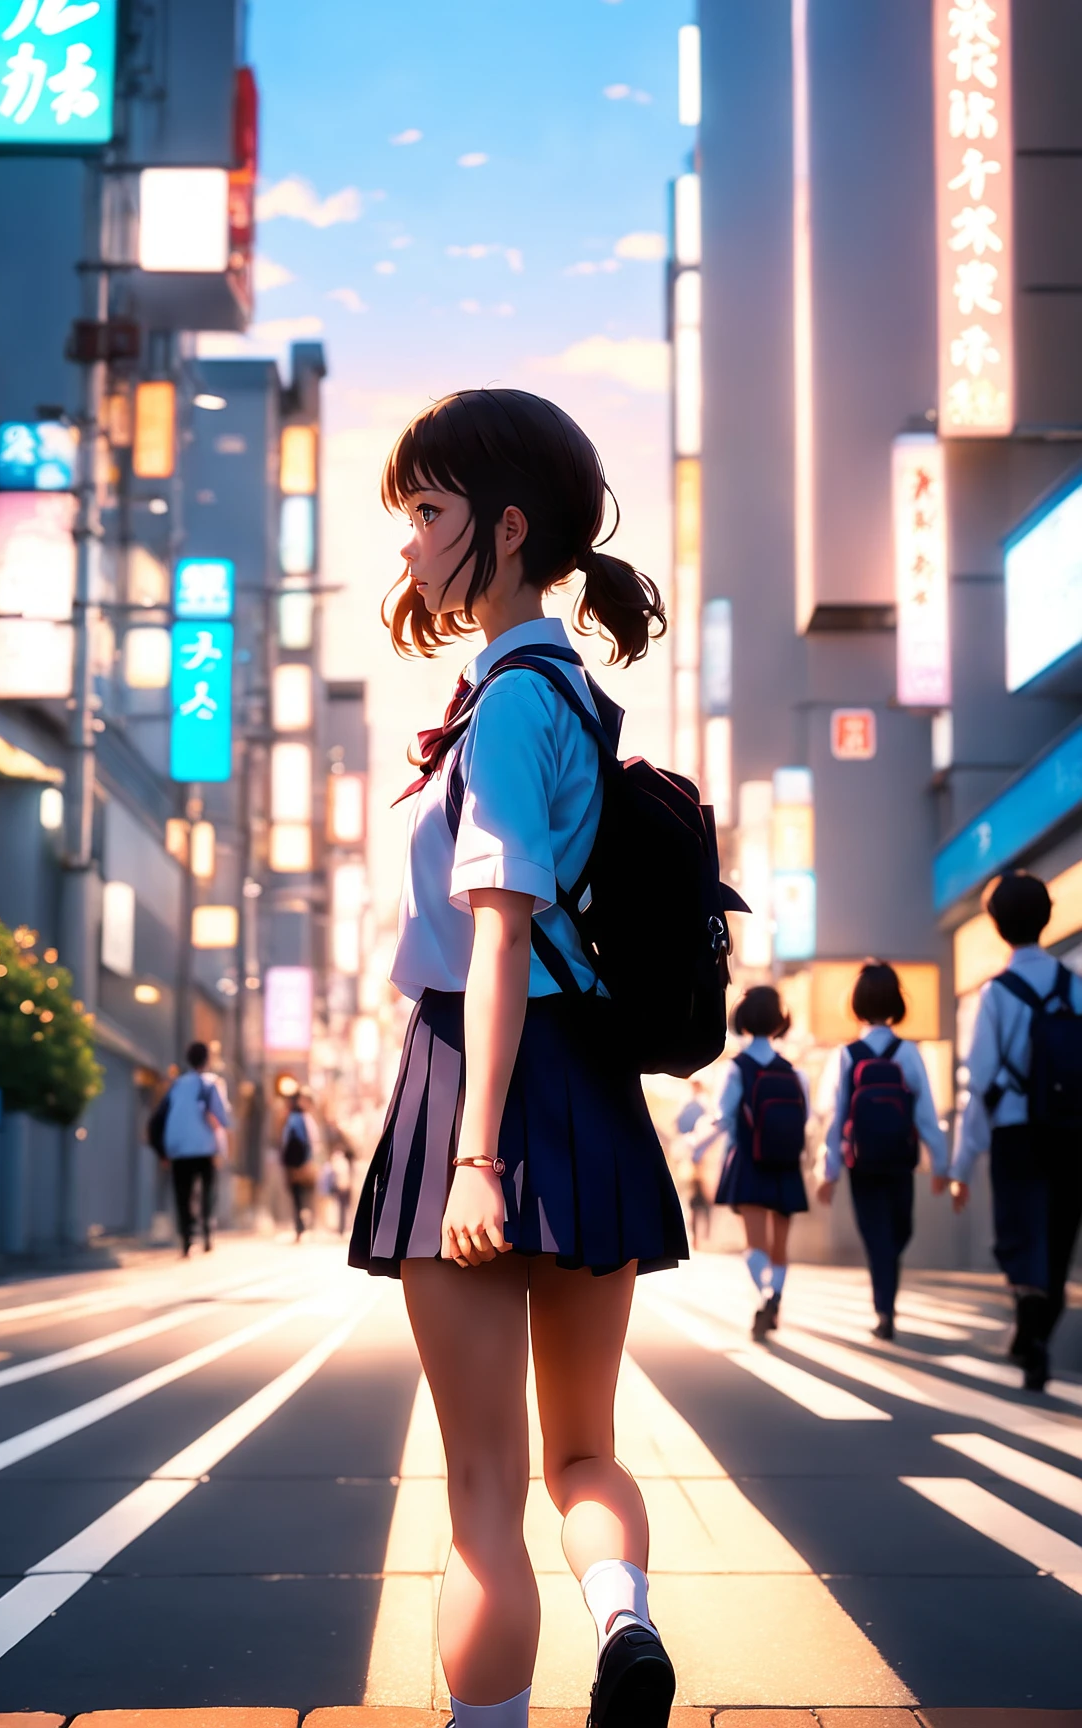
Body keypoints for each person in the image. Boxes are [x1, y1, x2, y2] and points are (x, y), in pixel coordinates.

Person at [348, 389, 687, 1728]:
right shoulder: (570, 698)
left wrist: (475, 1159)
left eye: (428, 512)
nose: (413, 543)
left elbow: (497, 939)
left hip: (477, 1094)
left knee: (482, 1490)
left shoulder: (500, 712)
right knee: (586, 1450)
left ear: (505, 524)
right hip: (590, 1098)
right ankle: (626, 1620)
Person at [950, 871, 1082, 1391]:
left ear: (997, 926)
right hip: (1072, 1131)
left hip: (1015, 1132)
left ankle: (1029, 1328)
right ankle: (1038, 1336)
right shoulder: (1076, 985)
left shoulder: (997, 994)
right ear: (1048, 917)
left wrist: (961, 1165)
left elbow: (979, 1081)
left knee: (1018, 1235)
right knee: (1059, 1236)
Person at [818, 961, 948, 1341]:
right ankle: (885, 1310)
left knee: (881, 1235)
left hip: (862, 1163)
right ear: (896, 1001)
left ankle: (884, 1303)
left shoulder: (847, 1055)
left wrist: (829, 1171)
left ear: (856, 1003)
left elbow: (835, 1117)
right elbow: (927, 1114)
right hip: (899, 1161)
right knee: (896, 1232)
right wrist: (940, 1163)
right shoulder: (907, 1052)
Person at [713, 986, 809, 1339]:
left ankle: (766, 1295)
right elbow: (806, 1116)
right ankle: (776, 1295)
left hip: (750, 1163)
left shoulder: (736, 1068)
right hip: (785, 1163)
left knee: (756, 1246)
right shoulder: (794, 1073)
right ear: (780, 1022)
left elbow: (722, 1117)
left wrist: (695, 1145)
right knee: (780, 1246)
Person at [161, 1041, 230, 1256]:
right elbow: (223, 1118)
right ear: (206, 1059)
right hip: (205, 1148)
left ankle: (186, 1238)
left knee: (183, 1193)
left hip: (179, 1148)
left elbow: (167, 1113)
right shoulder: (211, 1084)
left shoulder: (177, 1084)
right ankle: (207, 1232)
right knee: (208, 1191)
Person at [674, 1081, 711, 1248]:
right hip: (703, 1161)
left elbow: (678, 1126)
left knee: (694, 1200)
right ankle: (703, 1236)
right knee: (701, 1201)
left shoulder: (688, 1106)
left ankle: (698, 1237)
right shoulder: (704, 1107)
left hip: (693, 1160)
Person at [280, 1089, 320, 1241]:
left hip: (297, 1163)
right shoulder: (303, 1118)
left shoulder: (295, 1118)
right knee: (303, 1195)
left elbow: (286, 1141)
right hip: (302, 1163)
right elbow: (311, 1142)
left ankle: (301, 1227)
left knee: (298, 1196)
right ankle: (303, 1226)